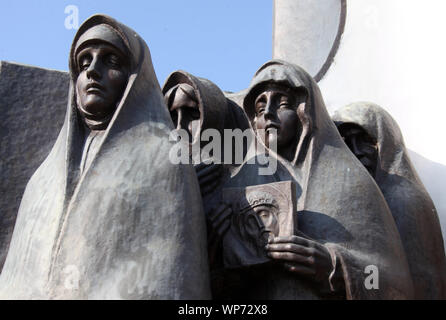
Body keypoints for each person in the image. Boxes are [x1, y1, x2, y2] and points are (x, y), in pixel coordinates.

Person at [0, 14, 210, 299]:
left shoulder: (165, 158)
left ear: (135, 79)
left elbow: (170, 276)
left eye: (111, 61)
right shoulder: (41, 179)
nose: (92, 71)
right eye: (83, 62)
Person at [233, 60, 414, 299]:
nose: (267, 113)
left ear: (305, 111)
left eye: (282, 103)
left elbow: (396, 285)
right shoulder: (242, 184)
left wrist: (334, 268)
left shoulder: (350, 182)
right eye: (259, 108)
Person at [333, 102, 446, 299]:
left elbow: (419, 282)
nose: (357, 151)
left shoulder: (402, 199)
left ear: (387, 142)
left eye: (366, 140)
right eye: (347, 142)